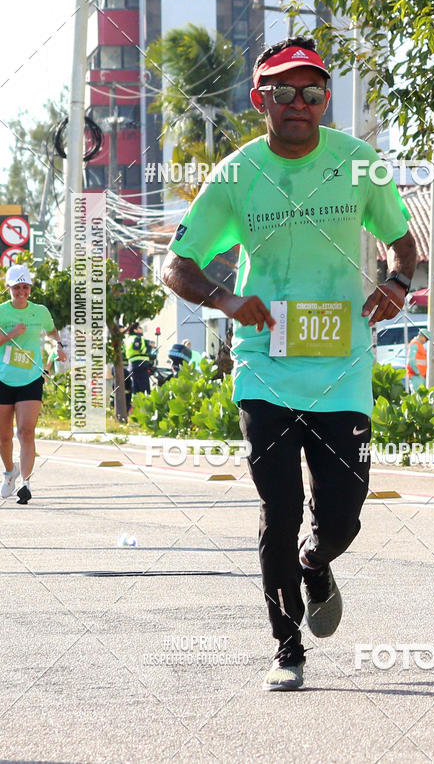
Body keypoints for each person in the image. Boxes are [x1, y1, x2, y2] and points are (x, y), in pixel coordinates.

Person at [162, 36, 416, 691]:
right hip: (265, 367)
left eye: (311, 92)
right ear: (261, 100)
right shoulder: (238, 175)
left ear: (325, 99)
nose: (298, 103)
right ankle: (286, 648)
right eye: (283, 92)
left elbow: (400, 242)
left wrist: (396, 285)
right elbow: (177, 265)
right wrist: (226, 298)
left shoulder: (360, 164)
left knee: (342, 515)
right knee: (279, 509)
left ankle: (317, 561)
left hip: (343, 369)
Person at [0, 264, 66, 504]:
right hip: (3, 379)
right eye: (17, 287)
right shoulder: (1, 312)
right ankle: (10, 472)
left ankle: (25, 484)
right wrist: (11, 334)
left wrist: (60, 348)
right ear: (9, 288)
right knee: (3, 436)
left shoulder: (40, 312)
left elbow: (53, 333)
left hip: (30, 378)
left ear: (30, 288)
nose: (21, 291)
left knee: (26, 432)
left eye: (25, 286)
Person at [123, 323, 153, 399]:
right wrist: (149, 347)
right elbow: (142, 350)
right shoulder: (138, 338)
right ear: (135, 330)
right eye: (139, 328)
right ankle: (144, 404)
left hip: (132, 364)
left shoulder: (128, 339)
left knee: (136, 386)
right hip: (141, 365)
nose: (141, 329)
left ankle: (135, 405)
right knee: (144, 387)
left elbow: (124, 351)